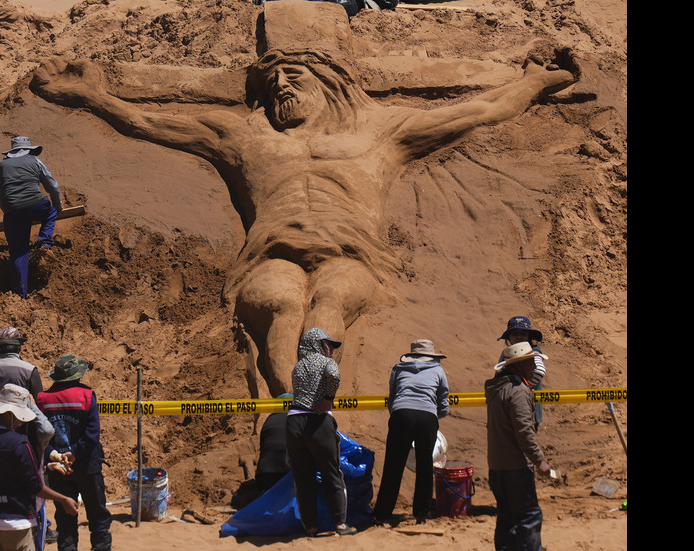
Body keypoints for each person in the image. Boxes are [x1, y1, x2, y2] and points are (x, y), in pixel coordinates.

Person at [29, 1, 577, 400]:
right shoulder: (242, 135)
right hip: (273, 251)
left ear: (330, 82)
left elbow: (474, 113)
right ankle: (298, 405)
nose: (282, 89)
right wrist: (91, 96)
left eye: (294, 79)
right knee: (281, 304)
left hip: (350, 251)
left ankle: (311, 404)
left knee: (331, 301)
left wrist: (535, 83)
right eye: (274, 84)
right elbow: (151, 122)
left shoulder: (382, 130)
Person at [0, 383, 79, 551]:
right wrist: (63, 499)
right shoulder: (19, 443)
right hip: (15, 524)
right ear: (10, 413)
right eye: (20, 417)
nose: (21, 423)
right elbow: (34, 486)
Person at [35, 354, 112, 551]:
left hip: (58, 468)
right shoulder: (86, 395)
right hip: (88, 466)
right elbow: (92, 433)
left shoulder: (43, 399)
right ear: (77, 375)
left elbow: (40, 434)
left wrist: (54, 453)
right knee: (98, 516)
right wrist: (75, 453)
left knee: (65, 519)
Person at [285, 328, 355, 536]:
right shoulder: (326, 363)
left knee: (303, 478)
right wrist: (328, 398)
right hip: (317, 421)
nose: (331, 350)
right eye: (328, 345)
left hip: (293, 422)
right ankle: (340, 525)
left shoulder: (298, 367)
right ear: (318, 344)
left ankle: (311, 528)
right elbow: (333, 375)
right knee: (331, 473)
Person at [373, 339, 450, 525]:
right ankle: (421, 515)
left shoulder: (398, 369)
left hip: (401, 414)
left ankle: (382, 514)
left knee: (393, 465)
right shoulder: (438, 370)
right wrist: (434, 416)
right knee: (425, 466)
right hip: (427, 418)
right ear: (431, 356)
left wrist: (400, 415)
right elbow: (443, 401)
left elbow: (392, 399)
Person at [485, 342, 551, 550]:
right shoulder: (518, 390)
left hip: (497, 467)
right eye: (532, 360)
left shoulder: (497, 388)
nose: (535, 364)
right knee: (529, 517)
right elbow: (524, 431)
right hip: (516, 467)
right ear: (523, 363)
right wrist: (539, 461)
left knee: (506, 518)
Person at [0, 135, 64, 298]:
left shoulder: (2, 165)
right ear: (28, 149)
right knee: (51, 213)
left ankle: (20, 294)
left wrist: (10, 211)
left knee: (19, 253)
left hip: (12, 211)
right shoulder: (34, 161)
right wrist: (58, 206)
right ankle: (45, 243)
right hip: (36, 205)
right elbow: (52, 185)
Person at [498, 316, 547, 431]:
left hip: (528, 413)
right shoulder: (507, 353)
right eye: (515, 334)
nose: (519, 337)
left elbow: (539, 372)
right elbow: (498, 375)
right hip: (507, 411)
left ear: (528, 336)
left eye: (523, 333)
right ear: (509, 336)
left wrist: (521, 388)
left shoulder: (534, 351)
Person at [255, 393, 292, 494]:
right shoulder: (298, 419)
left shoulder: (269, 420)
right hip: (289, 474)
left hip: (265, 474)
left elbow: (263, 447)